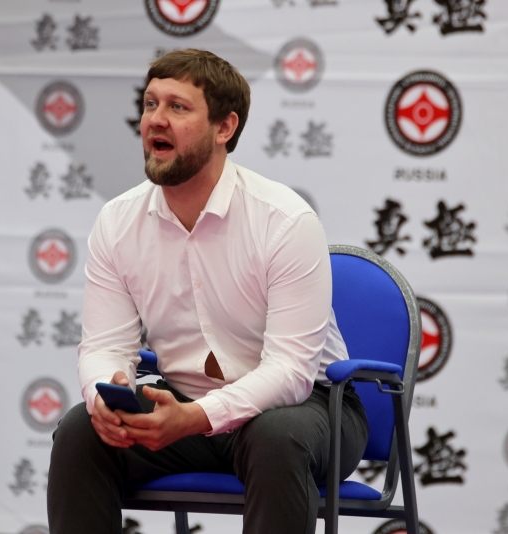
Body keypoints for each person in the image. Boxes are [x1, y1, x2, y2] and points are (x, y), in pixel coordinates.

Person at [47, 49, 369, 534]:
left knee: (277, 436)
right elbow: (104, 346)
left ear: (225, 127)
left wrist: (198, 416)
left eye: (177, 107)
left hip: (308, 409)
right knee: (81, 431)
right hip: (184, 405)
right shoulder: (117, 222)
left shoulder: (285, 220)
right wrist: (102, 399)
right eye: (150, 104)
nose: (156, 119)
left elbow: (290, 373)